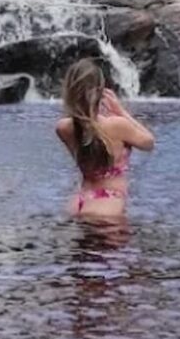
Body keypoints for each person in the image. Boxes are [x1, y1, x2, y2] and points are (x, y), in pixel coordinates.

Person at [55, 58, 155, 219]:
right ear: (100, 91)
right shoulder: (118, 125)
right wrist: (121, 111)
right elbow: (149, 142)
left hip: (78, 202)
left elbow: (86, 127)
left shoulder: (63, 128)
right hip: (108, 204)